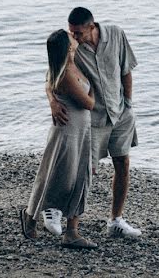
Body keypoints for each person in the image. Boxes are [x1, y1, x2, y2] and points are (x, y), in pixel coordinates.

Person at [50, 7, 143, 239]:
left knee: (122, 163)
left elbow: (126, 70)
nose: (75, 37)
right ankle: (68, 223)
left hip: (120, 113)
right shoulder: (72, 47)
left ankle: (116, 221)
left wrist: (129, 104)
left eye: (78, 32)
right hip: (92, 119)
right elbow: (52, 74)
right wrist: (52, 101)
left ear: (92, 27)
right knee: (83, 172)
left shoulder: (116, 34)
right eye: (72, 32)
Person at [20, 30, 97, 249]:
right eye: (71, 36)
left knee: (80, 177)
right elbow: (89, 104)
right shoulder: (64, 73)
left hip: (82, 130)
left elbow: (47, 82)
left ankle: (72, 232)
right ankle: (30, 216)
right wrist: (98, 92)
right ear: (68, 46)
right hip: (66, 131)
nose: (74, 36)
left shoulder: (77, 62)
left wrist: (52, 99)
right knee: (54, 177)